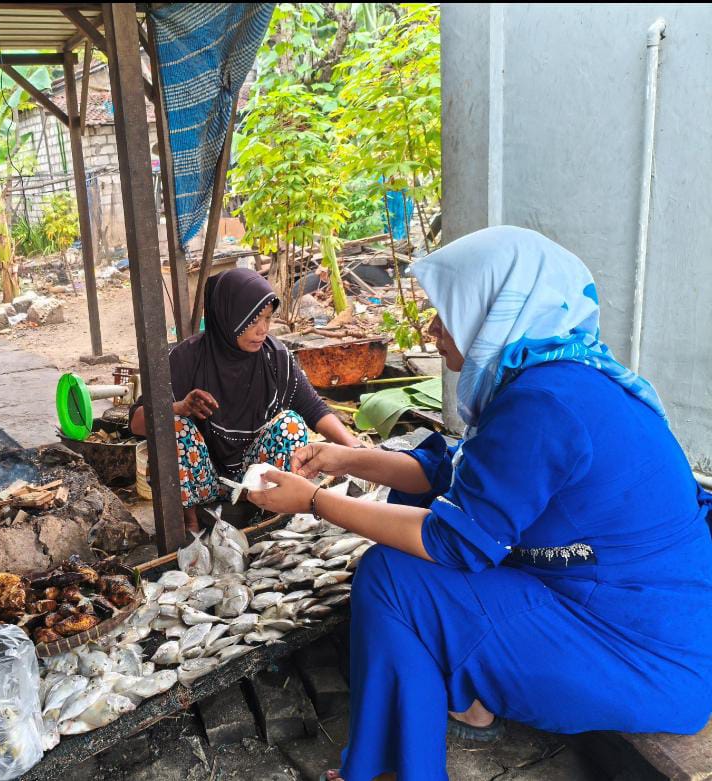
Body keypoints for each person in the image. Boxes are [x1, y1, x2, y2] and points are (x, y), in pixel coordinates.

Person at [249, 226, 712, 781]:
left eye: (446, 312)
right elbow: (451, 471)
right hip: (614, 603)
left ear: (492, 312)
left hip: (639, 652)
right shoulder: (554, 372)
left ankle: (397, 764)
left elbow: (453, 541)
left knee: (392, 577)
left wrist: (317, 502)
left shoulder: (543, 403)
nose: (432, 328)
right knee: (406, 529)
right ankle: (436, 727)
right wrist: (341, 459)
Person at [130, 268, 360, 531]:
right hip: (202, 480)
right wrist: (180, 408)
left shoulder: (275, 357)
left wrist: (354, 450)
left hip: (255, 476)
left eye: (267, 318)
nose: (262, 330)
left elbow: (313, 408)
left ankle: (269, 516)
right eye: (252, 320)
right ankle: (191, 525)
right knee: (174, 426)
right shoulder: (186, 359)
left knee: (291, 424)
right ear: (228, 316)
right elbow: (136, 424)